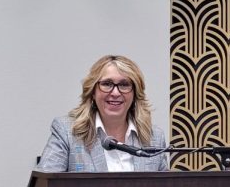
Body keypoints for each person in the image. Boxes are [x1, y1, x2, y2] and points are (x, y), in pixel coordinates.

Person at [36, 55, 169, 172]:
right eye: (107, 84)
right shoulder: (67, 131)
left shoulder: (154, 137)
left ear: (135, 94)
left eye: (124, 85)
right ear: (93, 92)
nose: (115, 93)